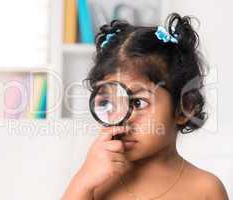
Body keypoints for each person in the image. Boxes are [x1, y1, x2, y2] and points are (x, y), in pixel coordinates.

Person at [62, 13, 229, 200]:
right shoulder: (97, 183)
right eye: (107, 103)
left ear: (185, 107)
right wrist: (82, 182)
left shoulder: (205, 189)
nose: (121, 118)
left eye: (137, 103)